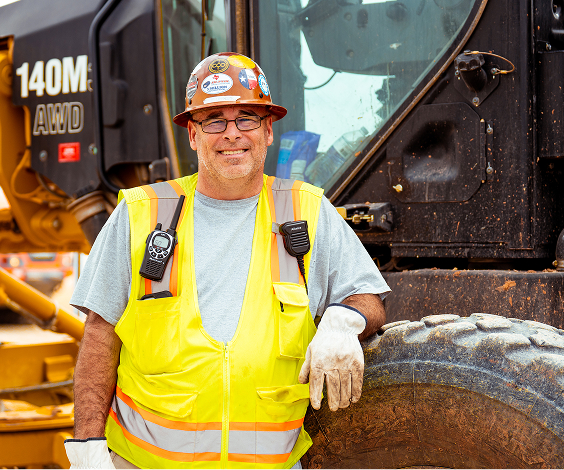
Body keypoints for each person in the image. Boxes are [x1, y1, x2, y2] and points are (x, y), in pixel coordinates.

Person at [65, 52, 390, 469]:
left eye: (246, 119)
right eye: (214, 120)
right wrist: (87, 450)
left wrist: (344, 321)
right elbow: (100, 333)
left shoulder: (304, 210)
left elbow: (369, 296)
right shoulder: (140, 214)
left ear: (268, 130)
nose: (231, 134)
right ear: (193, 135)